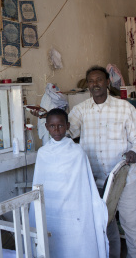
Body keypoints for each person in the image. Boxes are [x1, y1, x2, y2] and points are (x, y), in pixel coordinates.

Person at [32, 65, 136, 258]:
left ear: (107, 82)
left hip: (125, 178)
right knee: (102, 228)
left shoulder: (125, 108)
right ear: (87, 85)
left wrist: (134, 151)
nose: (95, 84)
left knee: (133, 229)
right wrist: (46, 118)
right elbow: (64, 130)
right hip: (95, 182)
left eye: (99, 80)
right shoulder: (81, 111)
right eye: (91, 81)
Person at [31, 108, 108, 258]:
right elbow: (40, 182)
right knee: (51, 240)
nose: (57, 130)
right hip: (51, 208)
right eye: (52, 126)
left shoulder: (77, 152)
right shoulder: (43, 153)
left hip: (73, 209)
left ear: (67, 125)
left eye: (60, 125)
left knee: (74, 242)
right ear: (47, 127)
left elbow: (83, 186)